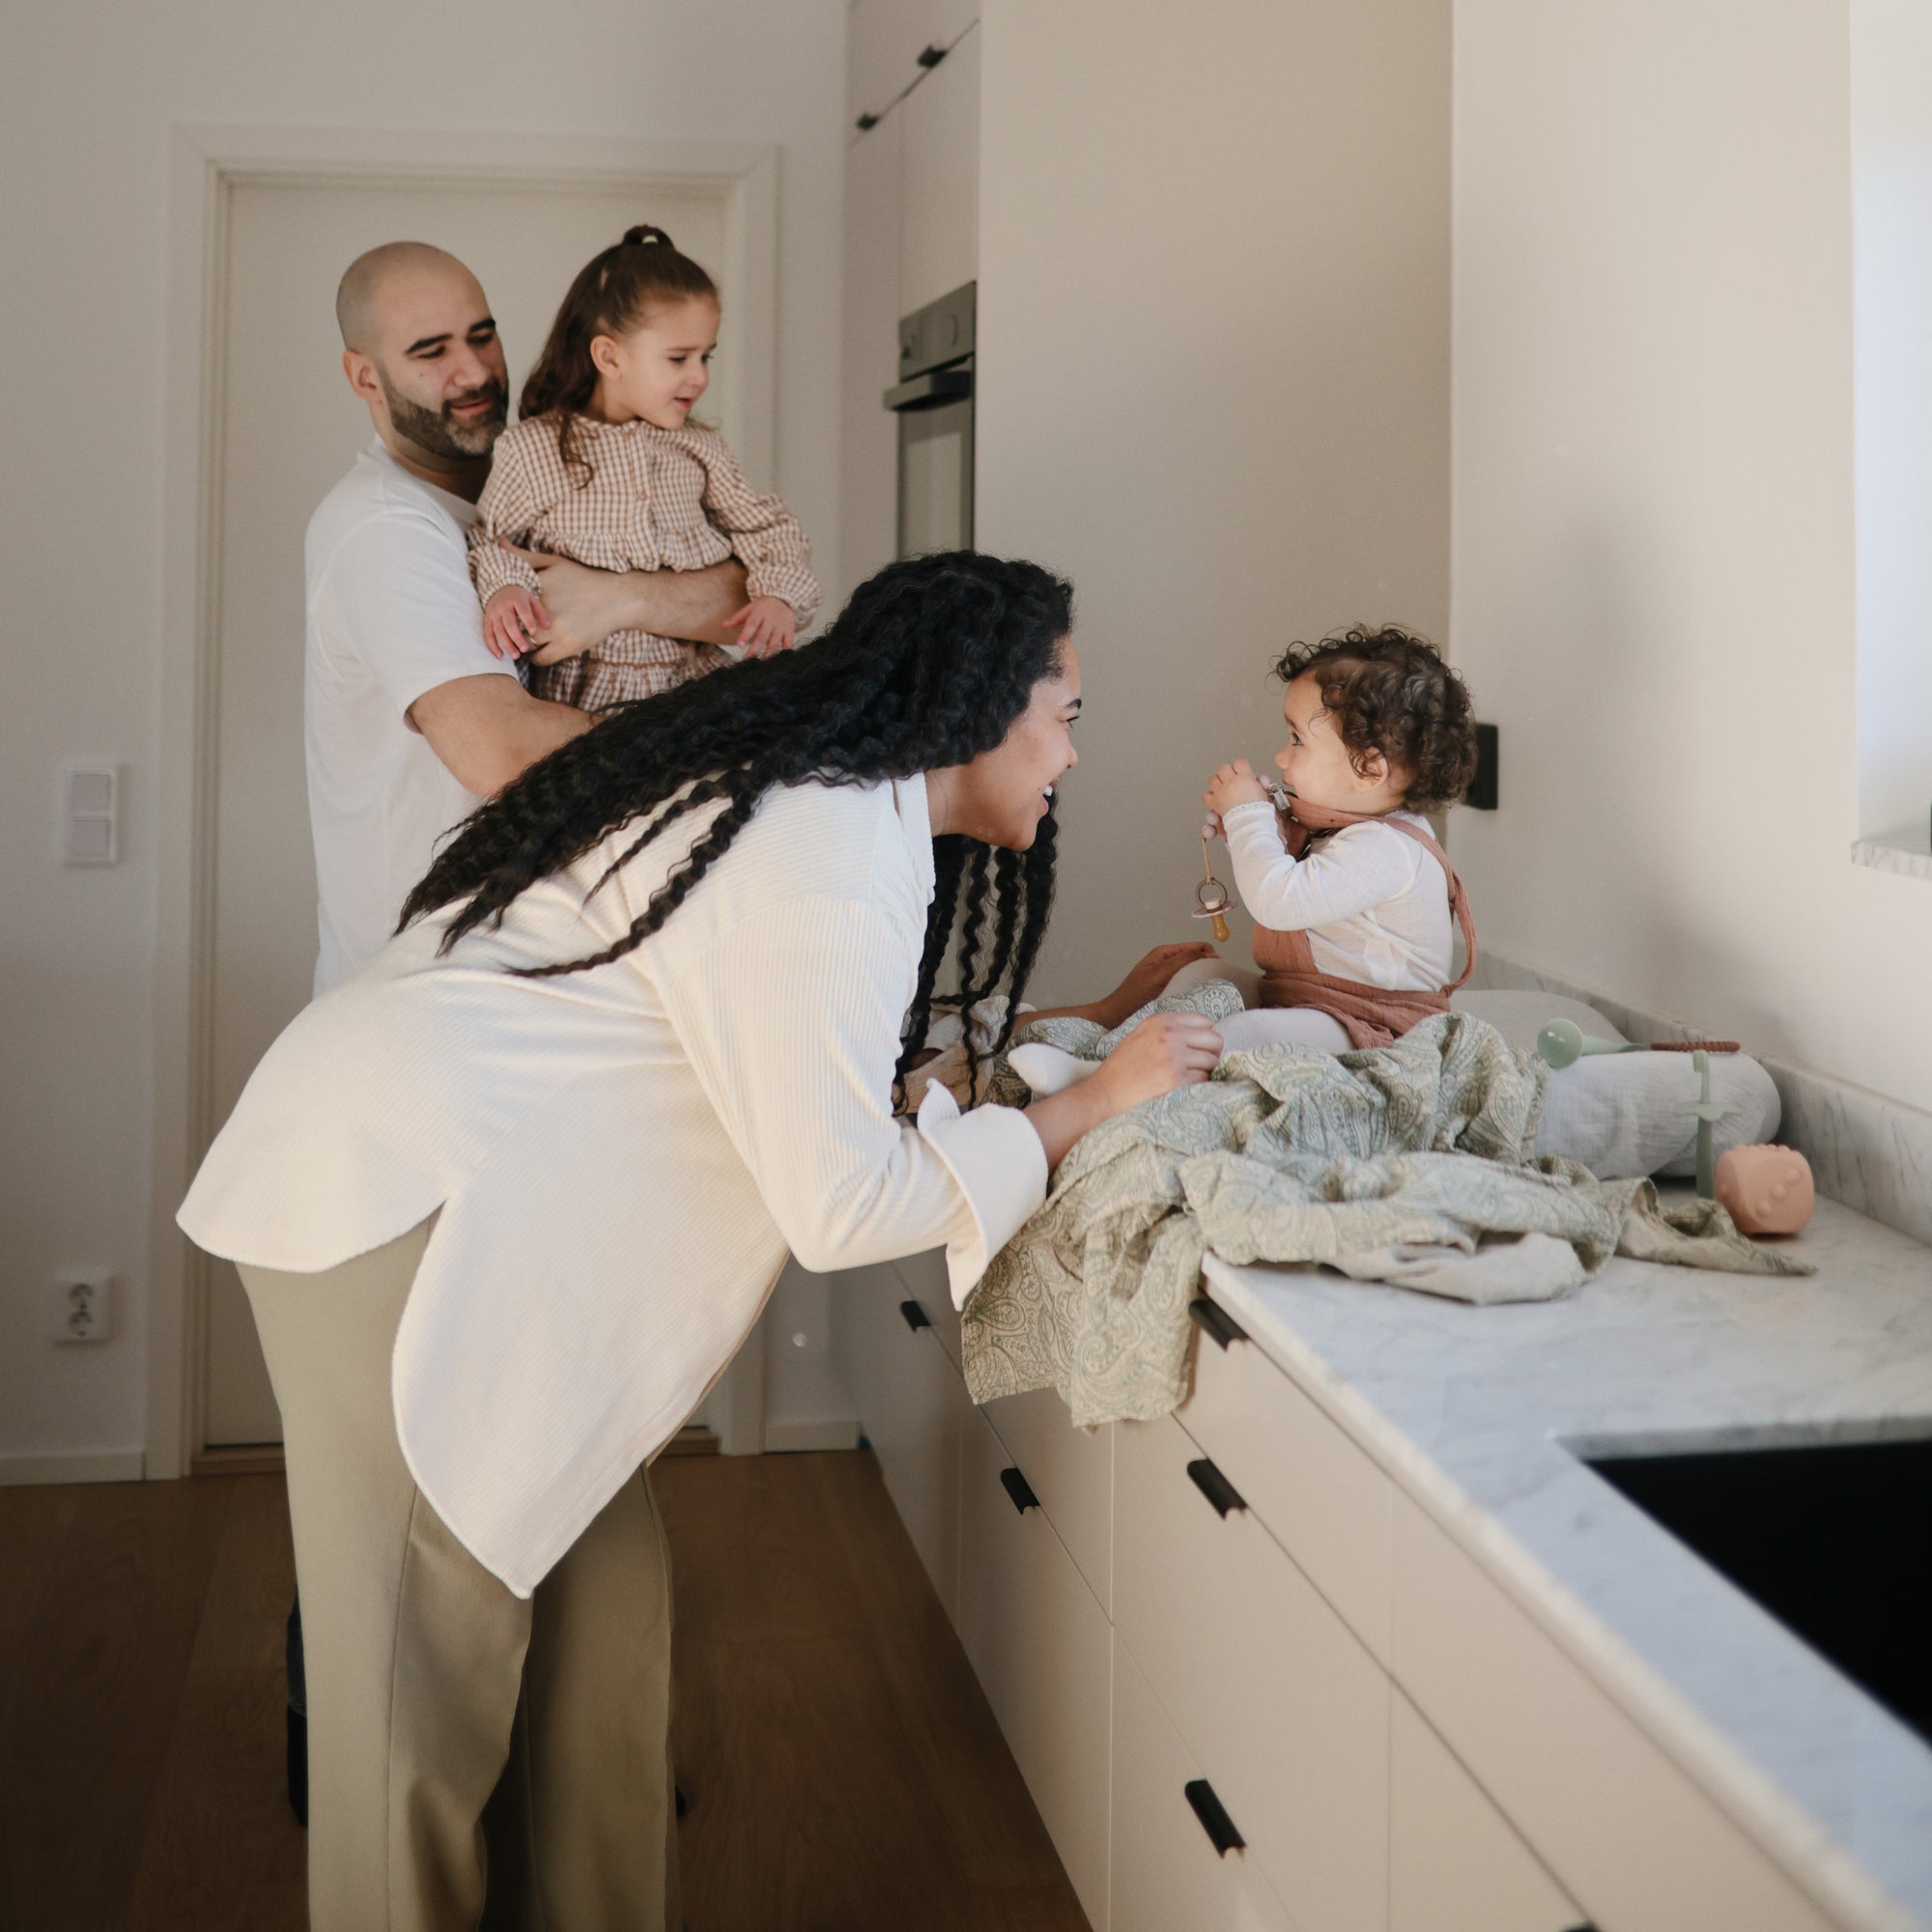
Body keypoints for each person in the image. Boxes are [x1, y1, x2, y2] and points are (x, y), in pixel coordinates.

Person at [179, 552, 1223, 1931]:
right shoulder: (833, 841)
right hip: (400, 1211)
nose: (1073, 758)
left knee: (606, 1633)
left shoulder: (835, 818)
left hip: (469, 1211)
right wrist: (1093, 1104)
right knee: (407, 1709)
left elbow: (805, 1078)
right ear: (976, 704)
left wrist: (1057, 1062)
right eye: (1068, 714)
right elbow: (841, 1204)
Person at [308, 240, 752, 993]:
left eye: (481, 335)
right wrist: (739, 751)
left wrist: (623, 599)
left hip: (535, 968)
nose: (475, 372)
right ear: (364, 377)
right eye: (430, 351)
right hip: (423, 994)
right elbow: (500, 749)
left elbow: (746, 596)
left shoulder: (550, 475)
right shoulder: (387, 528)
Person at [469, 224, 819, 711]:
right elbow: (491, 541)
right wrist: (504, 588)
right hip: (579, 700)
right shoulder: (533, 449)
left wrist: (778, 597)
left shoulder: (700, 450)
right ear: (609, 356)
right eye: (678, 358)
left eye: (705, 356)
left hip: (692, 687)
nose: (699, 377)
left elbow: (769, 527)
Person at [1201, 624, 1481, 1048]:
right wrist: (1261, 829)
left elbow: (1279, 901)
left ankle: (1160, 1076)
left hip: (1375, 1023)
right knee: (1202, 975)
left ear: (1369, 769)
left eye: (1297, 739)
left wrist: (1247, 816)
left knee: (1248, 1035)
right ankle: (1136, 1049)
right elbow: (1307, 883)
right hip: (1311, 1003)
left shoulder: (1388, 849)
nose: (1281, 755)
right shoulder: (1344, 830)